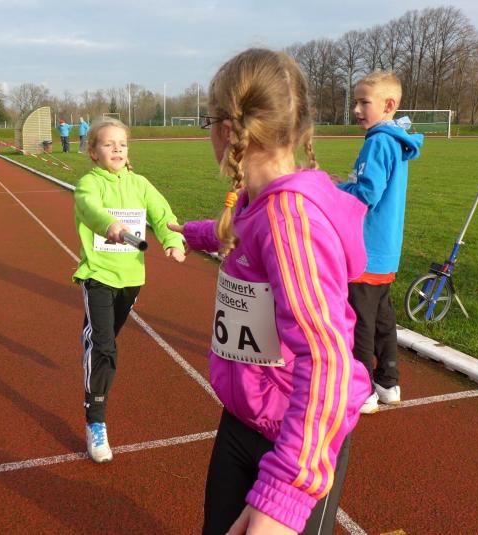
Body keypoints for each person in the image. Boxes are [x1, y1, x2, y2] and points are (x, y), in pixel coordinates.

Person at [166, 48, 371, 535]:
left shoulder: (289, 220)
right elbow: (238, 232)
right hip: (245, 416)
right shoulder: (260, 204)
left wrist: (285, 495)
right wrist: (191, 233)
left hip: (295, 435)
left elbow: (328, 360)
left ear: (225, 130)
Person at [73, 117, 186, 464]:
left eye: (122, 144)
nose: (117, 149)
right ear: (94, 152)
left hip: (131, 279)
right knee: (104, 346)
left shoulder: (140, 184)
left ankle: (96, 342)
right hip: (98, 275)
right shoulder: (88, 184)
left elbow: (161, 213)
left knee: (106, 340)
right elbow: (89, 209)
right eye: (109, 144)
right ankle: (96, 419)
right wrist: (109, 225)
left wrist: (173, 240)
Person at [336, 71, 423, 414]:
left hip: (366, 251)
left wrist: (335, 189)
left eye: (364, 102)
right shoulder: (395, 141)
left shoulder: (378, 141)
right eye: (355, 102)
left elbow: (367, 194)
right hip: (386, 252)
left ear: (388, 105)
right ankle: (389, 383)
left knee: (359, 322)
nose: (356, 109)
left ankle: (362, 391)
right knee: (384, 320)